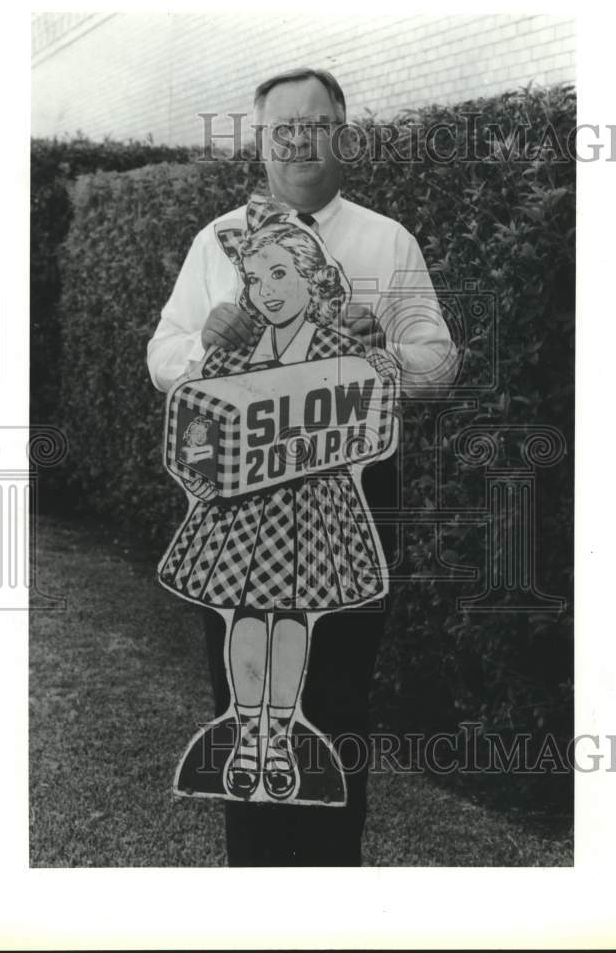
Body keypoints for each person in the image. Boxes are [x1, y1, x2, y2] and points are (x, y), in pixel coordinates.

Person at [147, 67, 458, 865]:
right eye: (280, 129)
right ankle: (256, 880)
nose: (296, 142)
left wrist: (374, 356)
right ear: (260, 142)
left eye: (313, 125)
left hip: (345, 494)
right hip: (238, 500)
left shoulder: (386, 242)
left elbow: (438, 363)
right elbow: (162, 356)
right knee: (237, 686)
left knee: (340, 693)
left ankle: (332, 886)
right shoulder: (214, 243)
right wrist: (203, 347)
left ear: (340, 136)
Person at [160, 200, 399, 806]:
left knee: (294, 616)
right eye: (256, 278)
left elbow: (377, 412)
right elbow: (191, 422)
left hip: (315, 507)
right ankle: (246, 736)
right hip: (244, 510)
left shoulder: (341, 348)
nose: (266, 291)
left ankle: (281, 734)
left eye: (280, 275)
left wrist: (379, 354)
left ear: (311, 280)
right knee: (244, 614)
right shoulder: (235, 353)